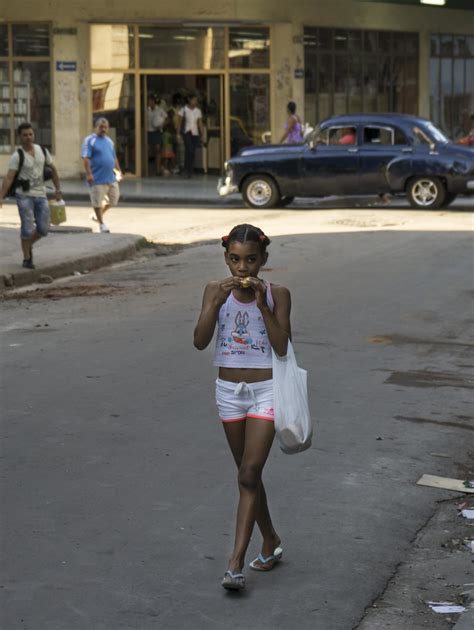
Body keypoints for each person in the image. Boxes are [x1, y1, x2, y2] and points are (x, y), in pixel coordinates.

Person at [193, 224, 291, 591]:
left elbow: (282, 346)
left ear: (264, 260)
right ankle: (270, 539)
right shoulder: (214, 292)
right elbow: (200, 342)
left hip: (266, 389)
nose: (242, 269)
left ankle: (234, 564)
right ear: (226, 259)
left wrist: (265, 303)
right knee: (247, 475)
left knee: (249, 474)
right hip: (229, 392)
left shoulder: (279, 294)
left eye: (251, 260)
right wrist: (215, 304)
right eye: (235, 260)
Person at [0, 122, 62, 269]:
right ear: (20, 137)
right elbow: (9, 177)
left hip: (41, 194)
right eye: (25, 135)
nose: (28, 137)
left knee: (43, 229)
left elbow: (53, 170)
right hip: (24, 196)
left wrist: (58, 189)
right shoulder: (17, 156)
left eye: (30, 134)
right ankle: (27, 258)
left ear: (33, 135)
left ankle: (28, 246)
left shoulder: (42, 151)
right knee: (27, 229)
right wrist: (1, 196)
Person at [81, 117, 122, 234]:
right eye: (101, 127)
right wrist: (89, 174)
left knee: (114, 199)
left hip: (110, 177)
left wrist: (119, 170)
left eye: (105, 127)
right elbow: (86, 158)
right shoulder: (90, 140)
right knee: (97, 202)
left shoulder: (109, 141)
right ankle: (101, 224)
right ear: (96, 127)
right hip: (96, 177)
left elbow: (114, 158)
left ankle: (97, 216)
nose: (103, 129)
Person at [178, 95, 204, 178]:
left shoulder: (198, 111)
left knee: (192, 151)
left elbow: (200, 123)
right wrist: (178, 133)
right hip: (186, 132)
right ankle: (187, 169)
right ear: (189, 100)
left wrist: (202, 135)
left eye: (196, 100)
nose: (195, 102)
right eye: (194, 100)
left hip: (195, 132)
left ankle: (189, 169)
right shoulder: (184, 109)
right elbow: (179, 122)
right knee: (189, 149)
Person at [147, 94, 167, 175]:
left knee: (157, 150)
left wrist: (162, 125)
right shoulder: (146, 110)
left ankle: (158, 168)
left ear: (154, 102)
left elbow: (167, 118)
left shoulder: (160, 110)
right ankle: (148, 169)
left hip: (157, 132)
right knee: (149, 150)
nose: (149, 102)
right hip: (148, 131)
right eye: (148, 101)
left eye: (151, 101)